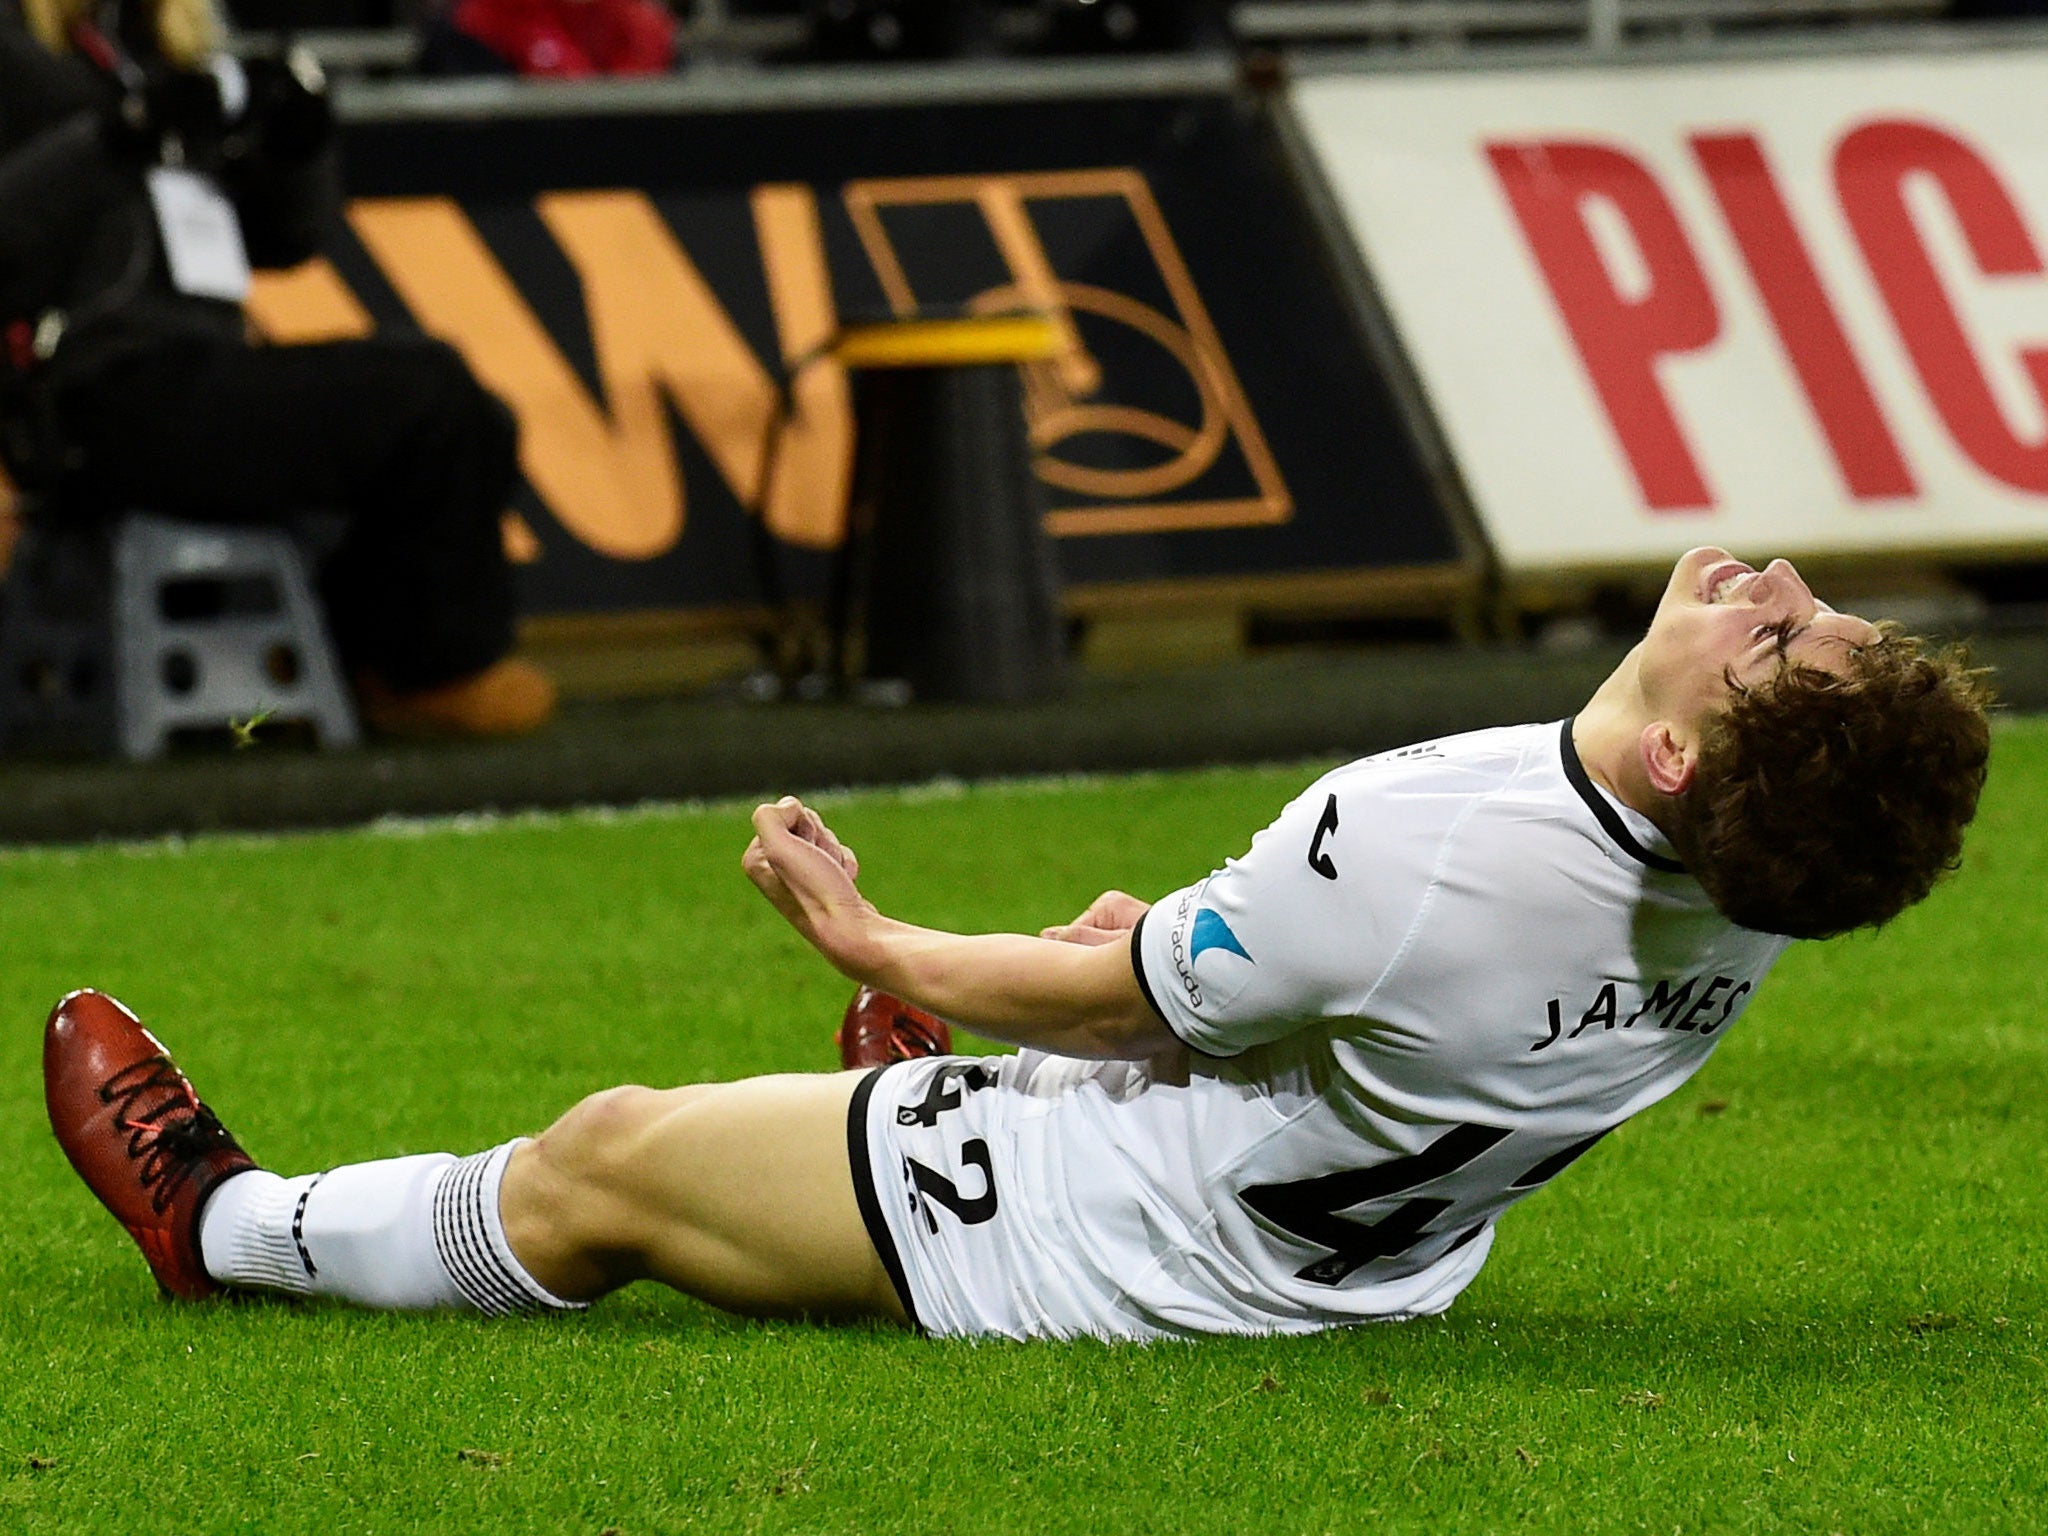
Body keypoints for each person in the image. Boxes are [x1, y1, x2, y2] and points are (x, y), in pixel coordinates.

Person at [45, 547, 1992, 1338]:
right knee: (1041, 1030)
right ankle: (932, 1099)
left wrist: (875, 924)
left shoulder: (1422, 846)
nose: (1771, 582)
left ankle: (218, 1230)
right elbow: (1387, 1010)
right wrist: (1180, 991)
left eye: (1772, 641)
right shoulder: (1768, 874)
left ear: (1673, 751)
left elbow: (1096, 980)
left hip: (1146, 1237)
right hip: (1372, 1242)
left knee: (611, 1159)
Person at [0, 0, 554, 737]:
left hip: (198, 368)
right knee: (425, 393)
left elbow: (289, 238)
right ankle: (428, 671)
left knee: (473, 413)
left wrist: (297, 143)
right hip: (84, 396)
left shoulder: (157, 53)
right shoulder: (18, 61)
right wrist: (114, 135)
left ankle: (376, 656)